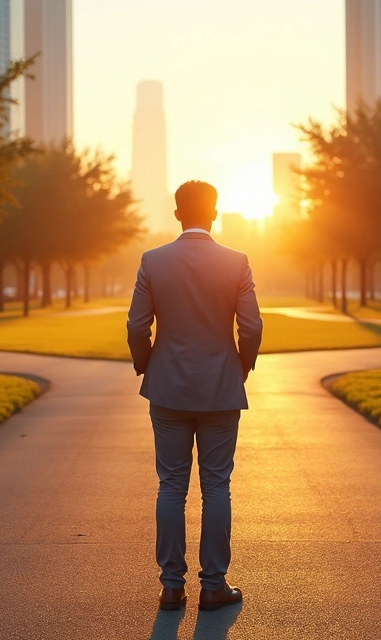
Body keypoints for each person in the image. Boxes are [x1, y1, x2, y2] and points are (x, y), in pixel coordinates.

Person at [126, 180, 263, 612]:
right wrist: (239, 366)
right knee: (216, 485)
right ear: (215, 214)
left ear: (177, 214)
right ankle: (213, 585)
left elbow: (136, 326)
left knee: (171, 485)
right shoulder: (236, 261)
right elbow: (253, 327)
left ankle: (171, 586)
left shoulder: (153, 261)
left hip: (167, 388)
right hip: (221, 387)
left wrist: (147, 363)